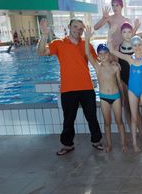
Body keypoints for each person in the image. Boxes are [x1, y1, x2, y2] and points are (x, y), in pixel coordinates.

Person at [37, 18, 103, 155]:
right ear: (69, 26)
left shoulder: (86, 45)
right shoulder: (59, 43)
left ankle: (96, 141)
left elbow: (98, 61)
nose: (77, 30)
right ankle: (67, 144)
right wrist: (43, 35)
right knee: (68, 119)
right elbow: (41, 52)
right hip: (68, 89)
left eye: (80, 28)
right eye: (75, 27)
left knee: (92, 116)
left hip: (86, 87)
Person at [109, 36, 142, 152]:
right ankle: (135, 144)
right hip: (132, 91)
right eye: (135, 45)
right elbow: (112, 51)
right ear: (132, 47)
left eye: (139, 45)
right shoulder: (129, 59)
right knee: (134, 118)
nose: (137, 47)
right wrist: (110, 35)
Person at [84, 28, 127, 153]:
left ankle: (124, 144)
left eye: (105, 53)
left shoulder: (115, 67)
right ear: (98, 56)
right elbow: (87, 53)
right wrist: (87, 39)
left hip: (116, 97)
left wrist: (123, 97)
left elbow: (119, 83)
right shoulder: (97, 67)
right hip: (104, 98)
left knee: (119, 122)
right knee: (107, 123)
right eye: (100, 54)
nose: (103, 56)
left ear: (109, 55)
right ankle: (109, 145)